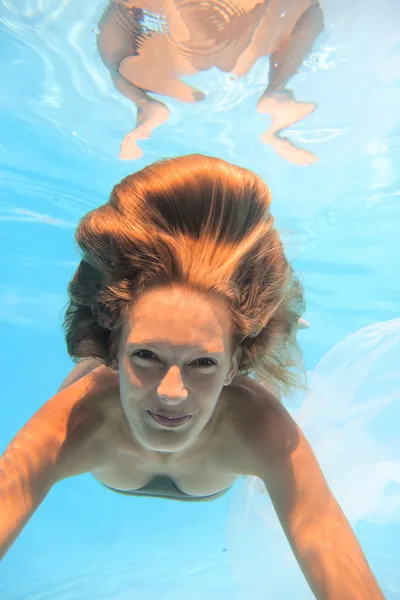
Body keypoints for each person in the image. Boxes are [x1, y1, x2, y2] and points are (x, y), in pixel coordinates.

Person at [0, 155, 384, 598]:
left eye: (203, 363)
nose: (171, 394)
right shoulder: (75, 420)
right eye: (145, 355)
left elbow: (323, 531)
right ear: (113, 349)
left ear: (233, 365)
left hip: (239, 377)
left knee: (271, 367)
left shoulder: (260, 428)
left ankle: (273, 332)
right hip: (112, 375)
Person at [97, 0, 324, 164]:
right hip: (241, 54)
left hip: (182, 56)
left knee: (117, 55)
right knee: (309, 10)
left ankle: (144, 102)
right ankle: (276, 90)